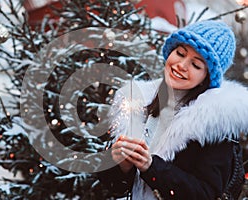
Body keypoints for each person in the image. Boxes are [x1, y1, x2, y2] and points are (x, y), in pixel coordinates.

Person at [97, 20, 248, 199]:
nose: (181, 65)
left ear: (206, 77)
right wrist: (121, 165)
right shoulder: (138, 101)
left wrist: (152, 167)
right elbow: (116, 186)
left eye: (196, 65)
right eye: (180, 53)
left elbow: (206, 194)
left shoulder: (214, 124)